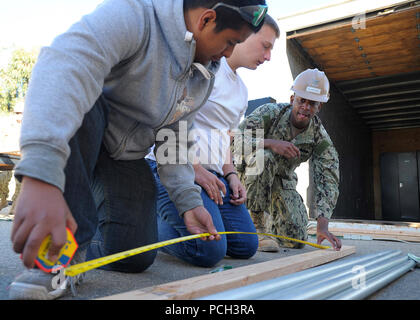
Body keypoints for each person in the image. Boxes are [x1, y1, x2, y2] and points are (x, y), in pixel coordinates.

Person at [9, 0, 268, 300]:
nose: (227, 54)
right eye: (230, 42)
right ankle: (53, 258)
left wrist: (188, 201)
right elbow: (63, 64)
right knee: (83, 101)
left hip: (124, 157)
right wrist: (42, 177)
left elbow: (176, 132)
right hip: (83, 139)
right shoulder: (135, 16)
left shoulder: (204, 71)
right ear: (206, 20)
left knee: (133, 255)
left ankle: (85, 232)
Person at [147, 15, 279, 267]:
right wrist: (195, 168)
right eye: (266, 45)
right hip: (175, 166)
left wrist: (230, 174)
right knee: (206, 250)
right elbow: (171, 123)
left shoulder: (242, 90)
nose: (268, 56)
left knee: (245, 245)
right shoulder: (201, 69)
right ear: (244, 32)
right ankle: (142, 224)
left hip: (214, 176)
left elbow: (225, 137)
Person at [233, 68, 342, 252]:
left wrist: (322, 226)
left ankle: (268, 226)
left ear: (319, 107)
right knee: (264, 157)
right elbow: (236, 141)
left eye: (312, 103)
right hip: (248, 177)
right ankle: (257, 228)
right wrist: (271, 143)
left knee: (296, 239)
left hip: (281, 182)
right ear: (293, 100)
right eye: (302, 101)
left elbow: (328, 178)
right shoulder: (269, 113)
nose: (305, 107)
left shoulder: (319, 137)